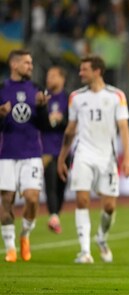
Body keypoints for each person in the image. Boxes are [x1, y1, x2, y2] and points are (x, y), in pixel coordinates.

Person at [57, 55, 129, 264]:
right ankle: (84, 251)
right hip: (83, 154)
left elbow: (124, 127)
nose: (80, 73)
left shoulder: (116, 95)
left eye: (84, 70)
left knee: (109, 207)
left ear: (97, 71)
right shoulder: (76, 97)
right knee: (82, 200)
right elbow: (70, 130)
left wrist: (127, 158)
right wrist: (62, 158)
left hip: (106, 157)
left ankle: (101, 237)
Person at [0, 49, 49, 263]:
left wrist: (43, 108)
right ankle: (10, 248)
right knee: (6, 201)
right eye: (27, 63)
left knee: (32, 198)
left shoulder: (36, 89)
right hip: (7, 154)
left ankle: (25, 234)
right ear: (14, 65)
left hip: (31, 153)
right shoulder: (2, 89)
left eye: (31, 63)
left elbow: (44, 125)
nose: (30, 66)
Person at [41, 66, 69, 234]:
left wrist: (61, 120)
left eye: (52, 76)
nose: (49, 79)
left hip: (65, 150)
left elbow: (72, 124)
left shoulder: (68, 98)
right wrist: (48, 119)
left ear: (61, 79)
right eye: (48, 75)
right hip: (47, 149)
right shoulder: (42, 98)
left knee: (61, 186)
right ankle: (53, 215)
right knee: (50, 182)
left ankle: (56, 215)